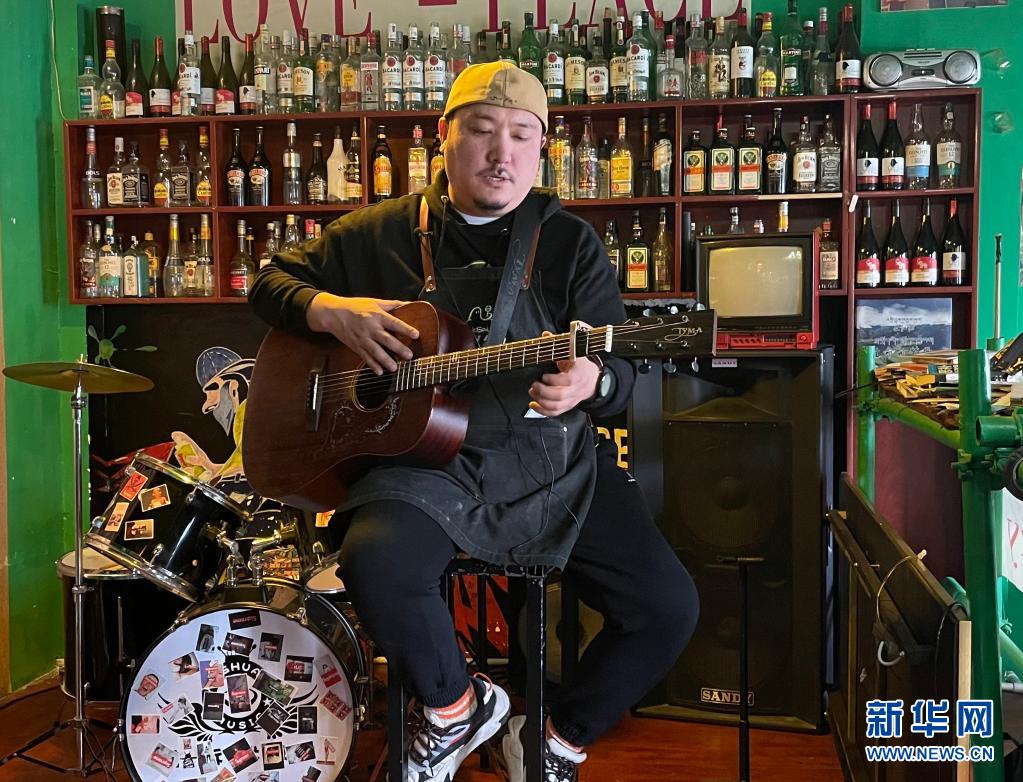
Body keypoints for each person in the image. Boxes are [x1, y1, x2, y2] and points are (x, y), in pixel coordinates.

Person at [250, 61, 699, 782]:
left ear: (542, 148)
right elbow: (269, 281)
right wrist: (330, 311)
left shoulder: (568, 243)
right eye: (483, 131)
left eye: (522, 135)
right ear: (444, 136)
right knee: (375, 559)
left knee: (667, 606)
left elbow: (619, 372)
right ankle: (456, 708)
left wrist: (593, 379)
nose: (502, 153)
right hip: (422, 466)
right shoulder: (377, 233)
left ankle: (553, 739)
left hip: (552, 462)